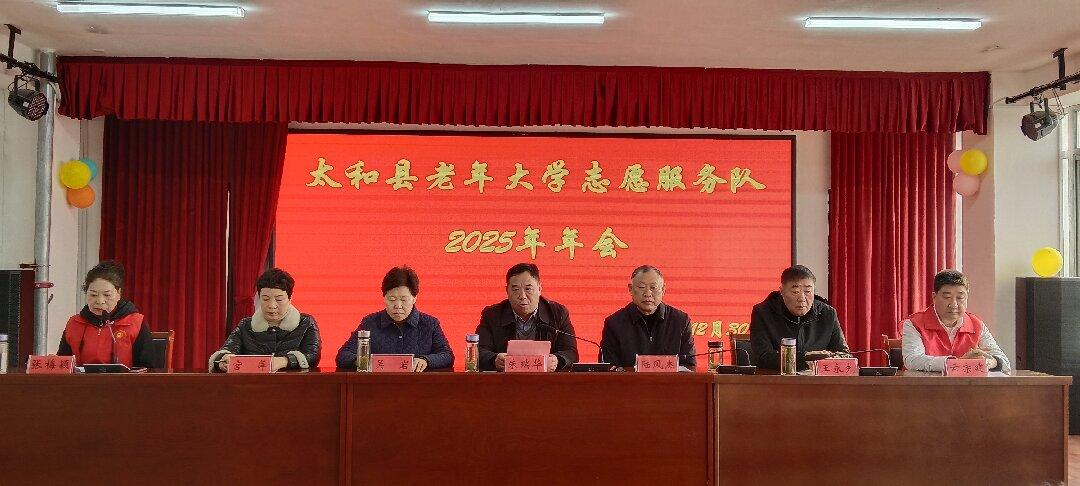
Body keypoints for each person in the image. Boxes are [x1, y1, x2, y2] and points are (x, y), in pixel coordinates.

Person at [335, 266, 453, 371]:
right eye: (392, 299)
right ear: (384, 298)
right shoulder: (370, 323)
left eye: (403, 299)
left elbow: (447, 355)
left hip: (418, 386)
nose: (398, 305)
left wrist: (426, 360)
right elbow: (343, 355)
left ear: (414, 298)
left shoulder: (430, 324)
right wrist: (363, 362)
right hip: (378, 386)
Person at [208, 268, 321, 372]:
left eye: (279, 299)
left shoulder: (306, 323)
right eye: (266, 299)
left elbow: (312, 355)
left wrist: (284, 361)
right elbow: (227, 349)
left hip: (293, 385)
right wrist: (223, 359)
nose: (272, 305)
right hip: (253, 385)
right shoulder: (246, 326)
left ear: (290, 298)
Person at [901, 269, 1011, 372]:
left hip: (968, 385)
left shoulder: (976, 324)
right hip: (925, 385)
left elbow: (1005, 362)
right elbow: (913, 361)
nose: (954, 304)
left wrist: (989, 362)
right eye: (947, 297)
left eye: (960, 298)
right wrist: (958, 363)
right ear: (934, 297)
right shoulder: (914, 323)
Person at [475, 263, 577, 371]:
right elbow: (478, 351)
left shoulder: (558, 313)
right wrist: (494, 359)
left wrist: (557, 361)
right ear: (507, 291)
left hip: (546, 380)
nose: (522, 296)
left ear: (539, 288)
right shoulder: (492, 315)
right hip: (505, 380)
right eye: (516, 289)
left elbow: (570, 353)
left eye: (528, 289)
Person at [749, 265, 850, 370]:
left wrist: (827, 359)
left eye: (808, 291)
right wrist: (805, 358)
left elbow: (844, 354)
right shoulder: (763, 313)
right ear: (782, 291)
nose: (802, 298)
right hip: (777, 378)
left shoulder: (827, 313)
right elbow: (763, 357)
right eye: (795, 292)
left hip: (817, 379)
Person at [58, 261, 155, 367]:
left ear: (118, 293)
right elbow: (62, 365)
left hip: (123, 378)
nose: (100, 301)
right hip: (82, 378)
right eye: (93, 295)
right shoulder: (74, 323)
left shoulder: (135, 322)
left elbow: (147, 367)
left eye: (107, 295)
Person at [599, 265, 697, 369]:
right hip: (629, 380)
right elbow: (609, 368)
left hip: (669, 380)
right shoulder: (614, 323)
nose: (647, 293)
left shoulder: (680, 321)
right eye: (641, 287)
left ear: (663, 289)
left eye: (653, 287)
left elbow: (689, 366)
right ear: (631, 289)